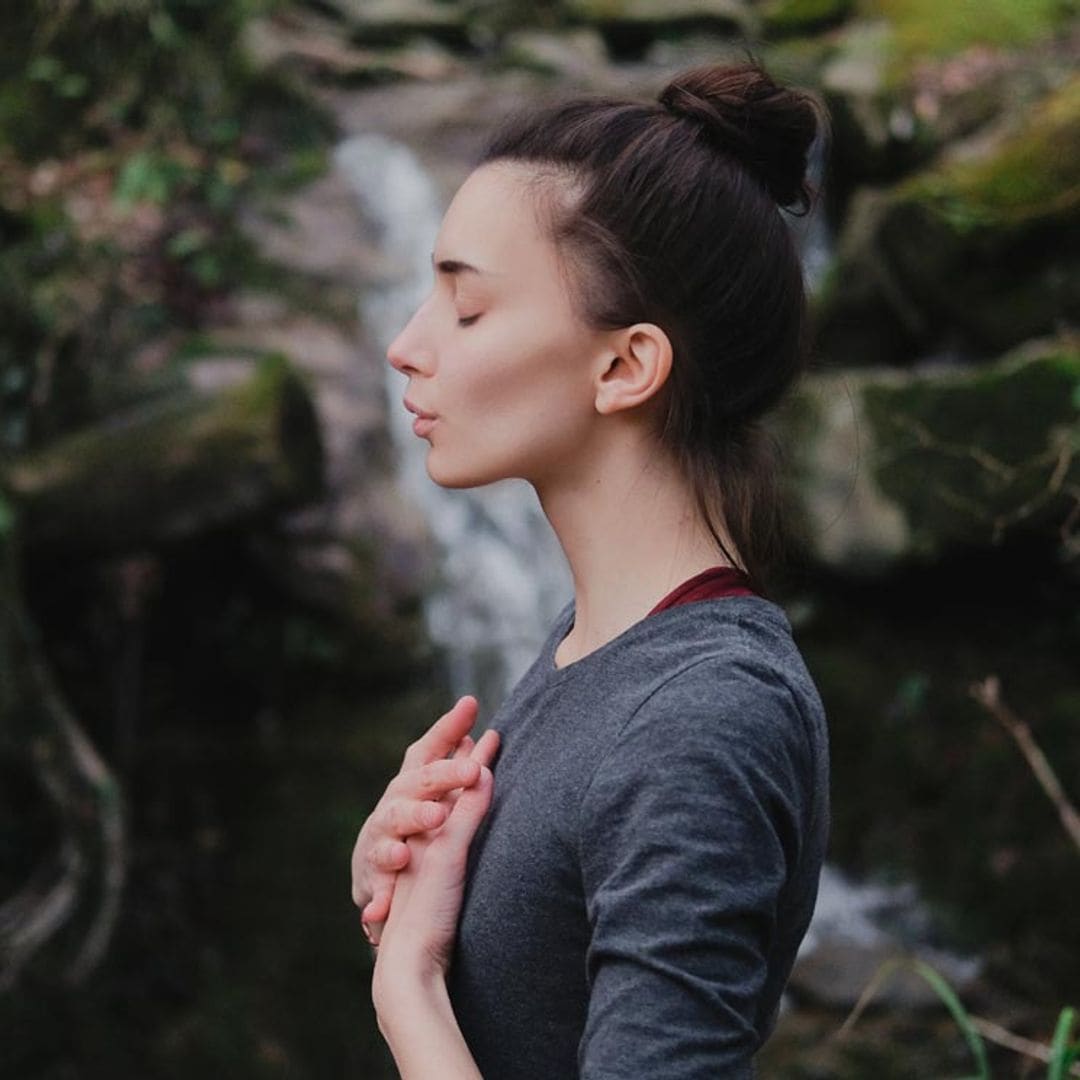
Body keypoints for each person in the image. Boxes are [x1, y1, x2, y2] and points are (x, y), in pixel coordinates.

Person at [350, 59, 831, 1079]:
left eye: (467, 310)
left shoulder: (701, 717)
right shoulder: (598, 649)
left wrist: (410, 991)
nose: (404, 347)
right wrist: (413, 895)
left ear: (625, 367)